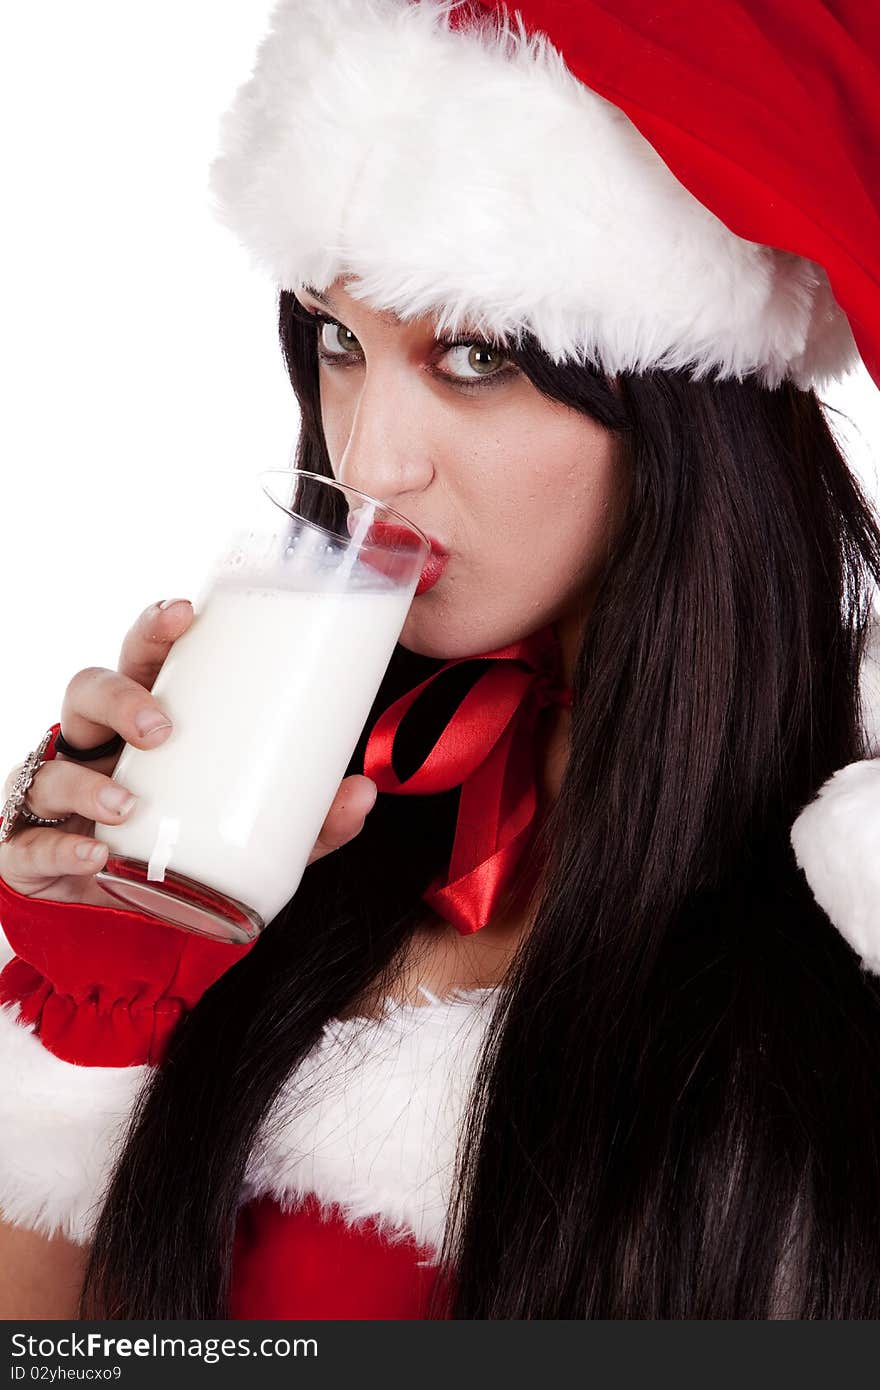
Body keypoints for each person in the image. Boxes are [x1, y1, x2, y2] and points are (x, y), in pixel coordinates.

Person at [1, 0, 880, 1320]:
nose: (365, 460)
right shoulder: (295, 833)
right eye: (339, 339)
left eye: (472, 355)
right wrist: (85, 1031)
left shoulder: (843, 923)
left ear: (683, 405)